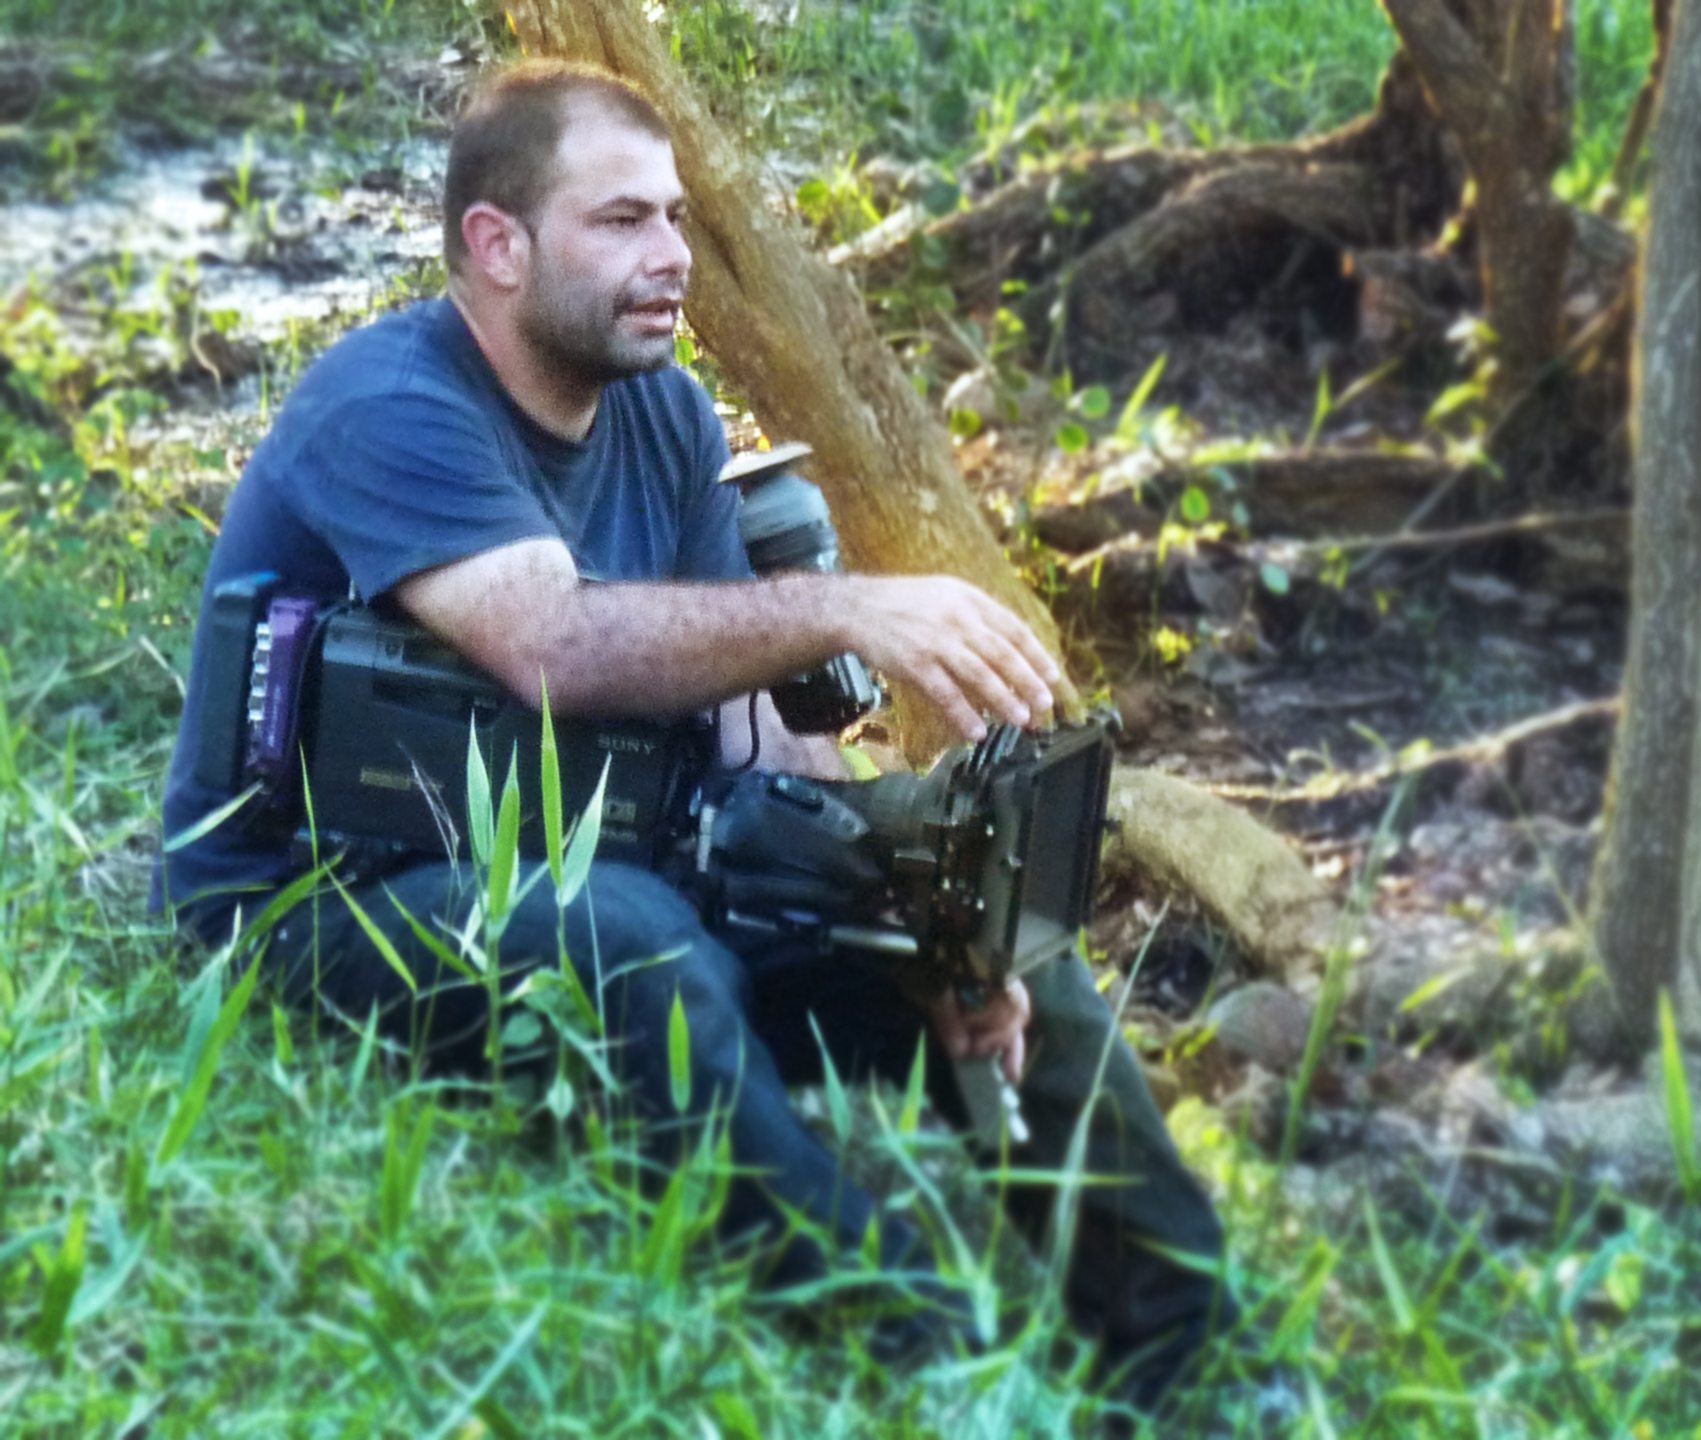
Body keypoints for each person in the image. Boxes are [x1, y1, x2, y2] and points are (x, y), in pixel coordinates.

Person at [156, 58, 1230, 1414]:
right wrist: (840, 603)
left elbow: (757, 745)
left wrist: (917, 923)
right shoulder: (387, 407)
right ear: (496, 246)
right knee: (635, 947)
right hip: (323, 905)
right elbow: (553, 645)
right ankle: (919, 1350)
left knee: (974, 896)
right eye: (621, 222)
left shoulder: (660, 411)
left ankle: (1188, 1360)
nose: (671, 255)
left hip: (627, 855)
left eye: (672, 216)